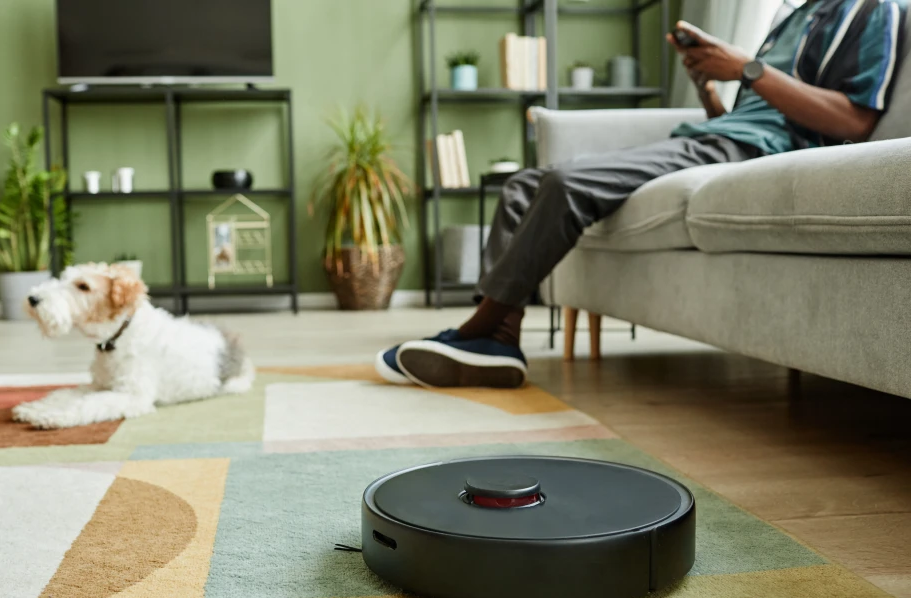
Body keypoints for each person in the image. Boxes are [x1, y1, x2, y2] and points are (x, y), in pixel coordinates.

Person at [376, 0, 907, 389]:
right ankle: (499, 336)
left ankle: (481, 332)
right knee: (525, 184)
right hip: (716, 138)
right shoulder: (791, 17)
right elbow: (748, 112)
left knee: (566, 184)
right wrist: (707, 85)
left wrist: (744, 67)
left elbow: (854, 119)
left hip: (757, 153)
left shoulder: (873, 9)